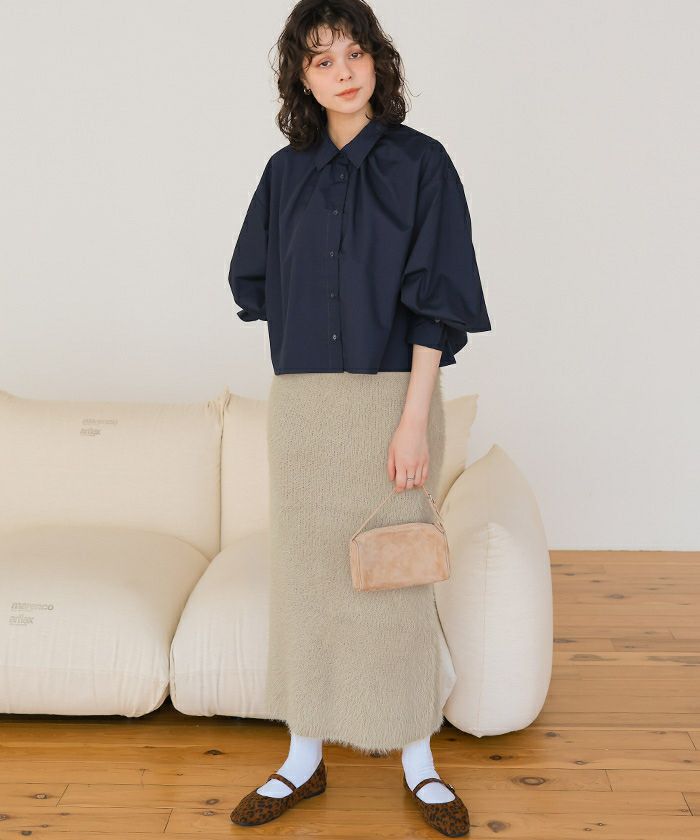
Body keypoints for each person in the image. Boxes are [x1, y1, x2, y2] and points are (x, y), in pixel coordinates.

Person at [227, 0, 490, 833]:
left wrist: (413, 418)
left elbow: (437, 300)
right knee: (308, 585)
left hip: (393, 400)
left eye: (354, 53)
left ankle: (419, 762)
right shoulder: (284, 173)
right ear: (301, 78)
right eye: (321, 59)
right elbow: (257, 279)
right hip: (305, 409)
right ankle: (302, 759)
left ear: (379, 60)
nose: (342, 71)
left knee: (395, 582)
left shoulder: (423, 164)